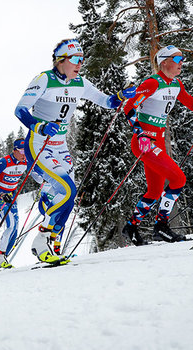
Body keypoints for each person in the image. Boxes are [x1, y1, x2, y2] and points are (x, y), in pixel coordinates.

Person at [14, 38, 137, 264]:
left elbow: (106, 101)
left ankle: (52, 244)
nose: (80, 64)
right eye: (76, 60)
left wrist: (120, 97)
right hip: (39, 144)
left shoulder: (80, 82)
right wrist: (39, 125)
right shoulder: (44, 79)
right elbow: (20, 109)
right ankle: (41, 241)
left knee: (68, 198)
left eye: (83, 60)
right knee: (67, 189)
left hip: (60, 146)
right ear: (61, 60)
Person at [121, 45, 193, 244]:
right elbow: (129, 107)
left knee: (155, 191)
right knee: (179, 179)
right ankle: (161, 226)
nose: (182, 63)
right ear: (164, 62)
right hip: (144, 142)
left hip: (158, 142)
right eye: (178, 59)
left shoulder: (176, 85)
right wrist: (140, 134)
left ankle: (131, 226)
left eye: (182, 59)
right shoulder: (152, 83)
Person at [0, 139, 36, 268]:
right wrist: (2, 194)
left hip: (12, 196)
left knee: (15, 229)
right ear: (14, 150)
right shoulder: (5, 161)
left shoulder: (26, 161)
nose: (24, 154)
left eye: (26, 151)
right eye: (21, 151)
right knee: (11, 224)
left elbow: (36, 172)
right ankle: (0, 257)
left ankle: (4, 257)